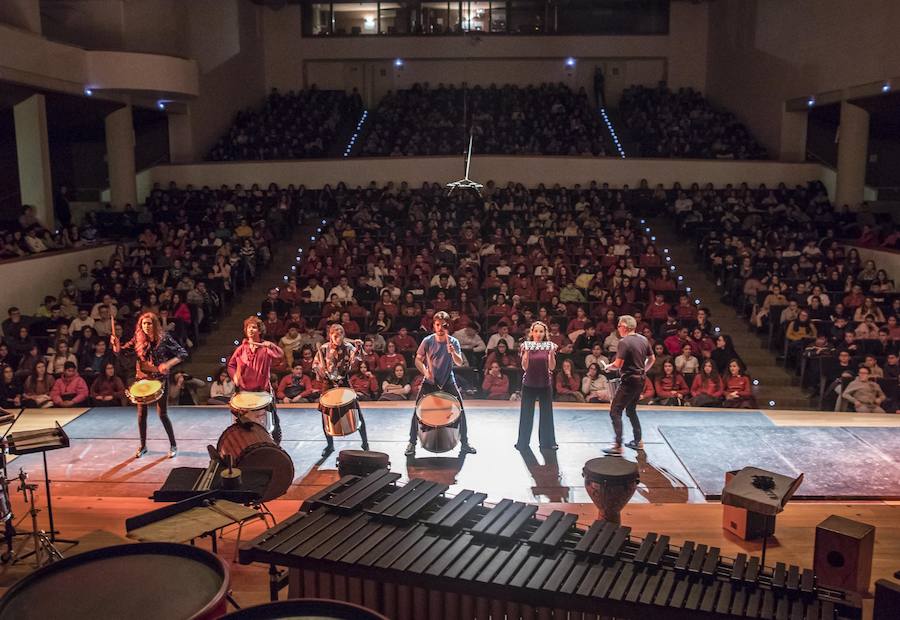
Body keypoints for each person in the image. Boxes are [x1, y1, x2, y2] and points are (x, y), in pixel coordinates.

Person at [111, 312, 187, 458]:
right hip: (142, 378)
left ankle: (173, 445)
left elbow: (182, 353)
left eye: (149, 323)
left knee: (162, 414)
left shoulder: (164, 338)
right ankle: (143, 445)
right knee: (141, 415)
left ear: (155, 324)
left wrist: (168, 364)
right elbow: (124, 352)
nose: (146, 326)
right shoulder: (138, 338)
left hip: (159, 378)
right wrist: (116, 347)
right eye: (144, 323)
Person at [406, 311, 476, 457]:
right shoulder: (427, 341)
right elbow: (418, 360)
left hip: (448, 381)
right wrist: (425, 371)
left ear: (447, 326)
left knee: (461, 410)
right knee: (417, 411)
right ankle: (412, 443)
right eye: (437, 325)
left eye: (442, 325)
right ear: (434, 325)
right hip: (430, 381)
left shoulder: (453, 342)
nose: (440, 328)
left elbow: (459, 362)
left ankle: (465, 443)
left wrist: (453, 352)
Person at [313, 323, 370, 456]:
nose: (338, 338)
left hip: (343, 382)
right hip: (328, 384)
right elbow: (316, 365)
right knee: (326, 415)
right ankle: (330, 445)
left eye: (341, 335)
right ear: (331, 336)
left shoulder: (348, 347)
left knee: (356, 412)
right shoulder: (324, 348)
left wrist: (359, 347)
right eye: (335, 336)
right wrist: (321, 371)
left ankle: (365, 443)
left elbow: (361, 358)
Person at [601, 315, 654, 455]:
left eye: (619, 326)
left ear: (625, 326)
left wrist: (608, 367)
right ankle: (638, 441)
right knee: (631, 410)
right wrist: (643, 371)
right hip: (641, 379)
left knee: (615, 411)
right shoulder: (643, 339)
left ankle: (617, 446)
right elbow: (652, 359)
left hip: (629, 380)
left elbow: (618, 364)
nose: (618, 328)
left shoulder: (624, 342)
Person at [227, 316, 285, 443]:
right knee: (241, 419)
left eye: (254, 327)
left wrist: (272, 346)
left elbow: (280, 356)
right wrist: (235, 376)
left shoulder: (265, 348)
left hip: (261, 391)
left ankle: (275, 445)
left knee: (273, 420)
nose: (251, 330)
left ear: (259, 331)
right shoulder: (241, 349)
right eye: (249, 327)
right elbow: (231, 365)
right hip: (244, 391)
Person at [516, 321, 557, 450]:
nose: (538, 334)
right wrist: (527, 352)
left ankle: (547, 442)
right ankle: (523, 443)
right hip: (529, 384)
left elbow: (552, 367)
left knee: (547, 414)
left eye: (541, 331)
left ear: (545, 333)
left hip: (544, 384)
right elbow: (524, 367)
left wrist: (551, 354)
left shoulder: (548, 346)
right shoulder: (526, 346)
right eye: (536, 331)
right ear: (532, 333)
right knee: (526, 414)